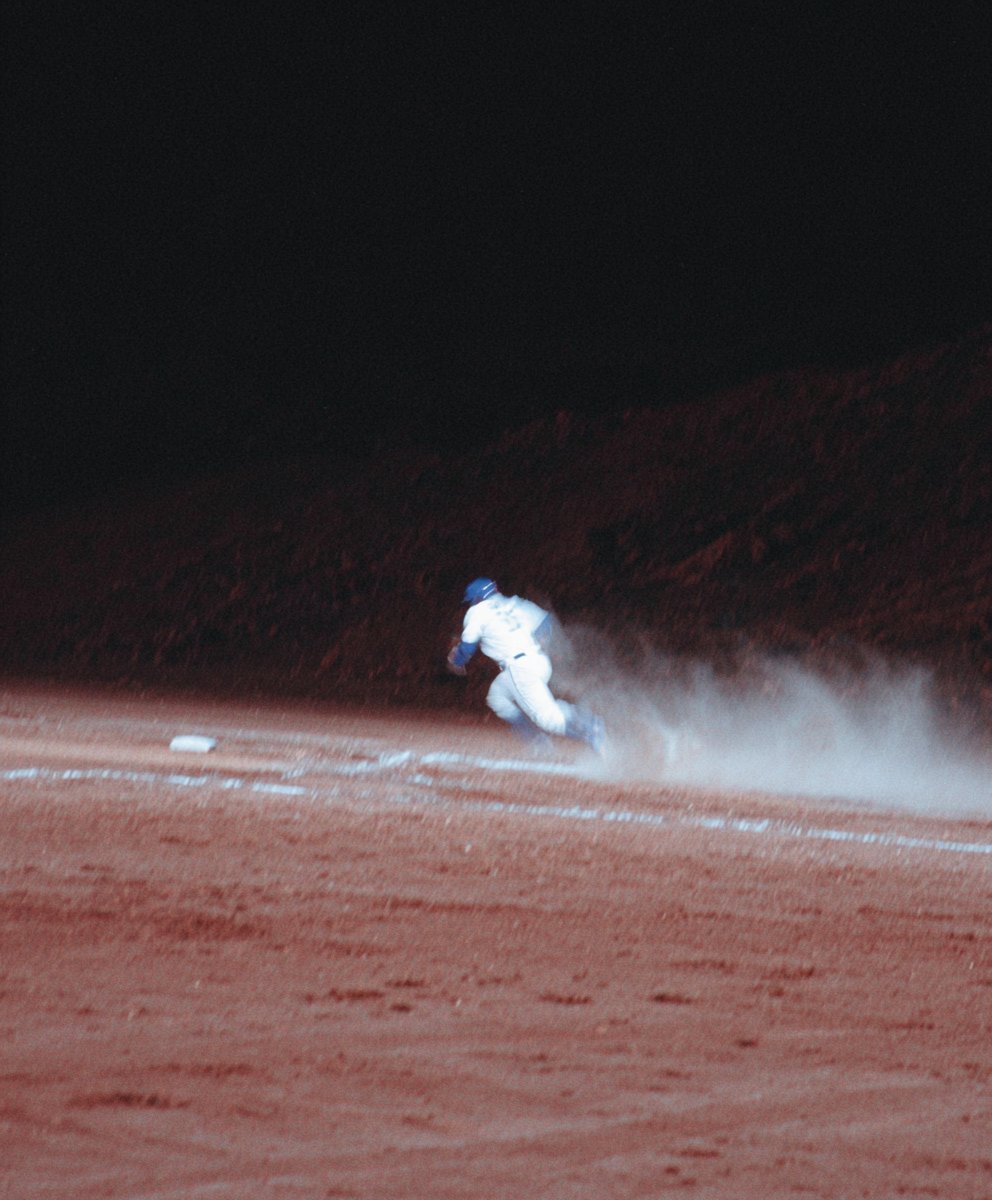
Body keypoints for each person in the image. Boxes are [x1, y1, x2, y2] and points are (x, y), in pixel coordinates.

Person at [446, 577, 604, 753]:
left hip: (519, 669)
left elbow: (467, 646)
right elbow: (546, 623)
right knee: (497, 697)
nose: (471, 604)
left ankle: (589, 727)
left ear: (477, 598)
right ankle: (537, 740)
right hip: (538, 661)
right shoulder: (514, 603)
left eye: (472, 600)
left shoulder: (477, 612)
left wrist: (456, 660)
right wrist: (543, 644)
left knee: (548, 718)